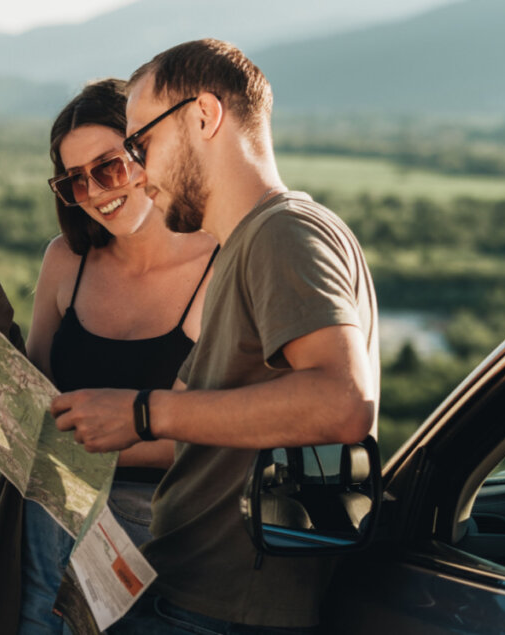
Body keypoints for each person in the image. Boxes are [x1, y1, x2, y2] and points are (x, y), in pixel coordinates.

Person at [51, 39, 379, 633]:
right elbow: (213, 412)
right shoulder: (247, 244)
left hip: (228, 608)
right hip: (194, 592)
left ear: (204, 116)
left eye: (140, 144)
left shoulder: (284, 234)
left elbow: (343, 404)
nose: (139, 172)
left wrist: (145, 412)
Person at [0, 78, 218, 634]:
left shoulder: (219, 266)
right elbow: (37, 408)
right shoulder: (66, 260)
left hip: (161, 535)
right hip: (49, 522)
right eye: (75, 180)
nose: (97, 191)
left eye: (110, 166)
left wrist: (78, 441)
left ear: (148, 149)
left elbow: (218, 436)